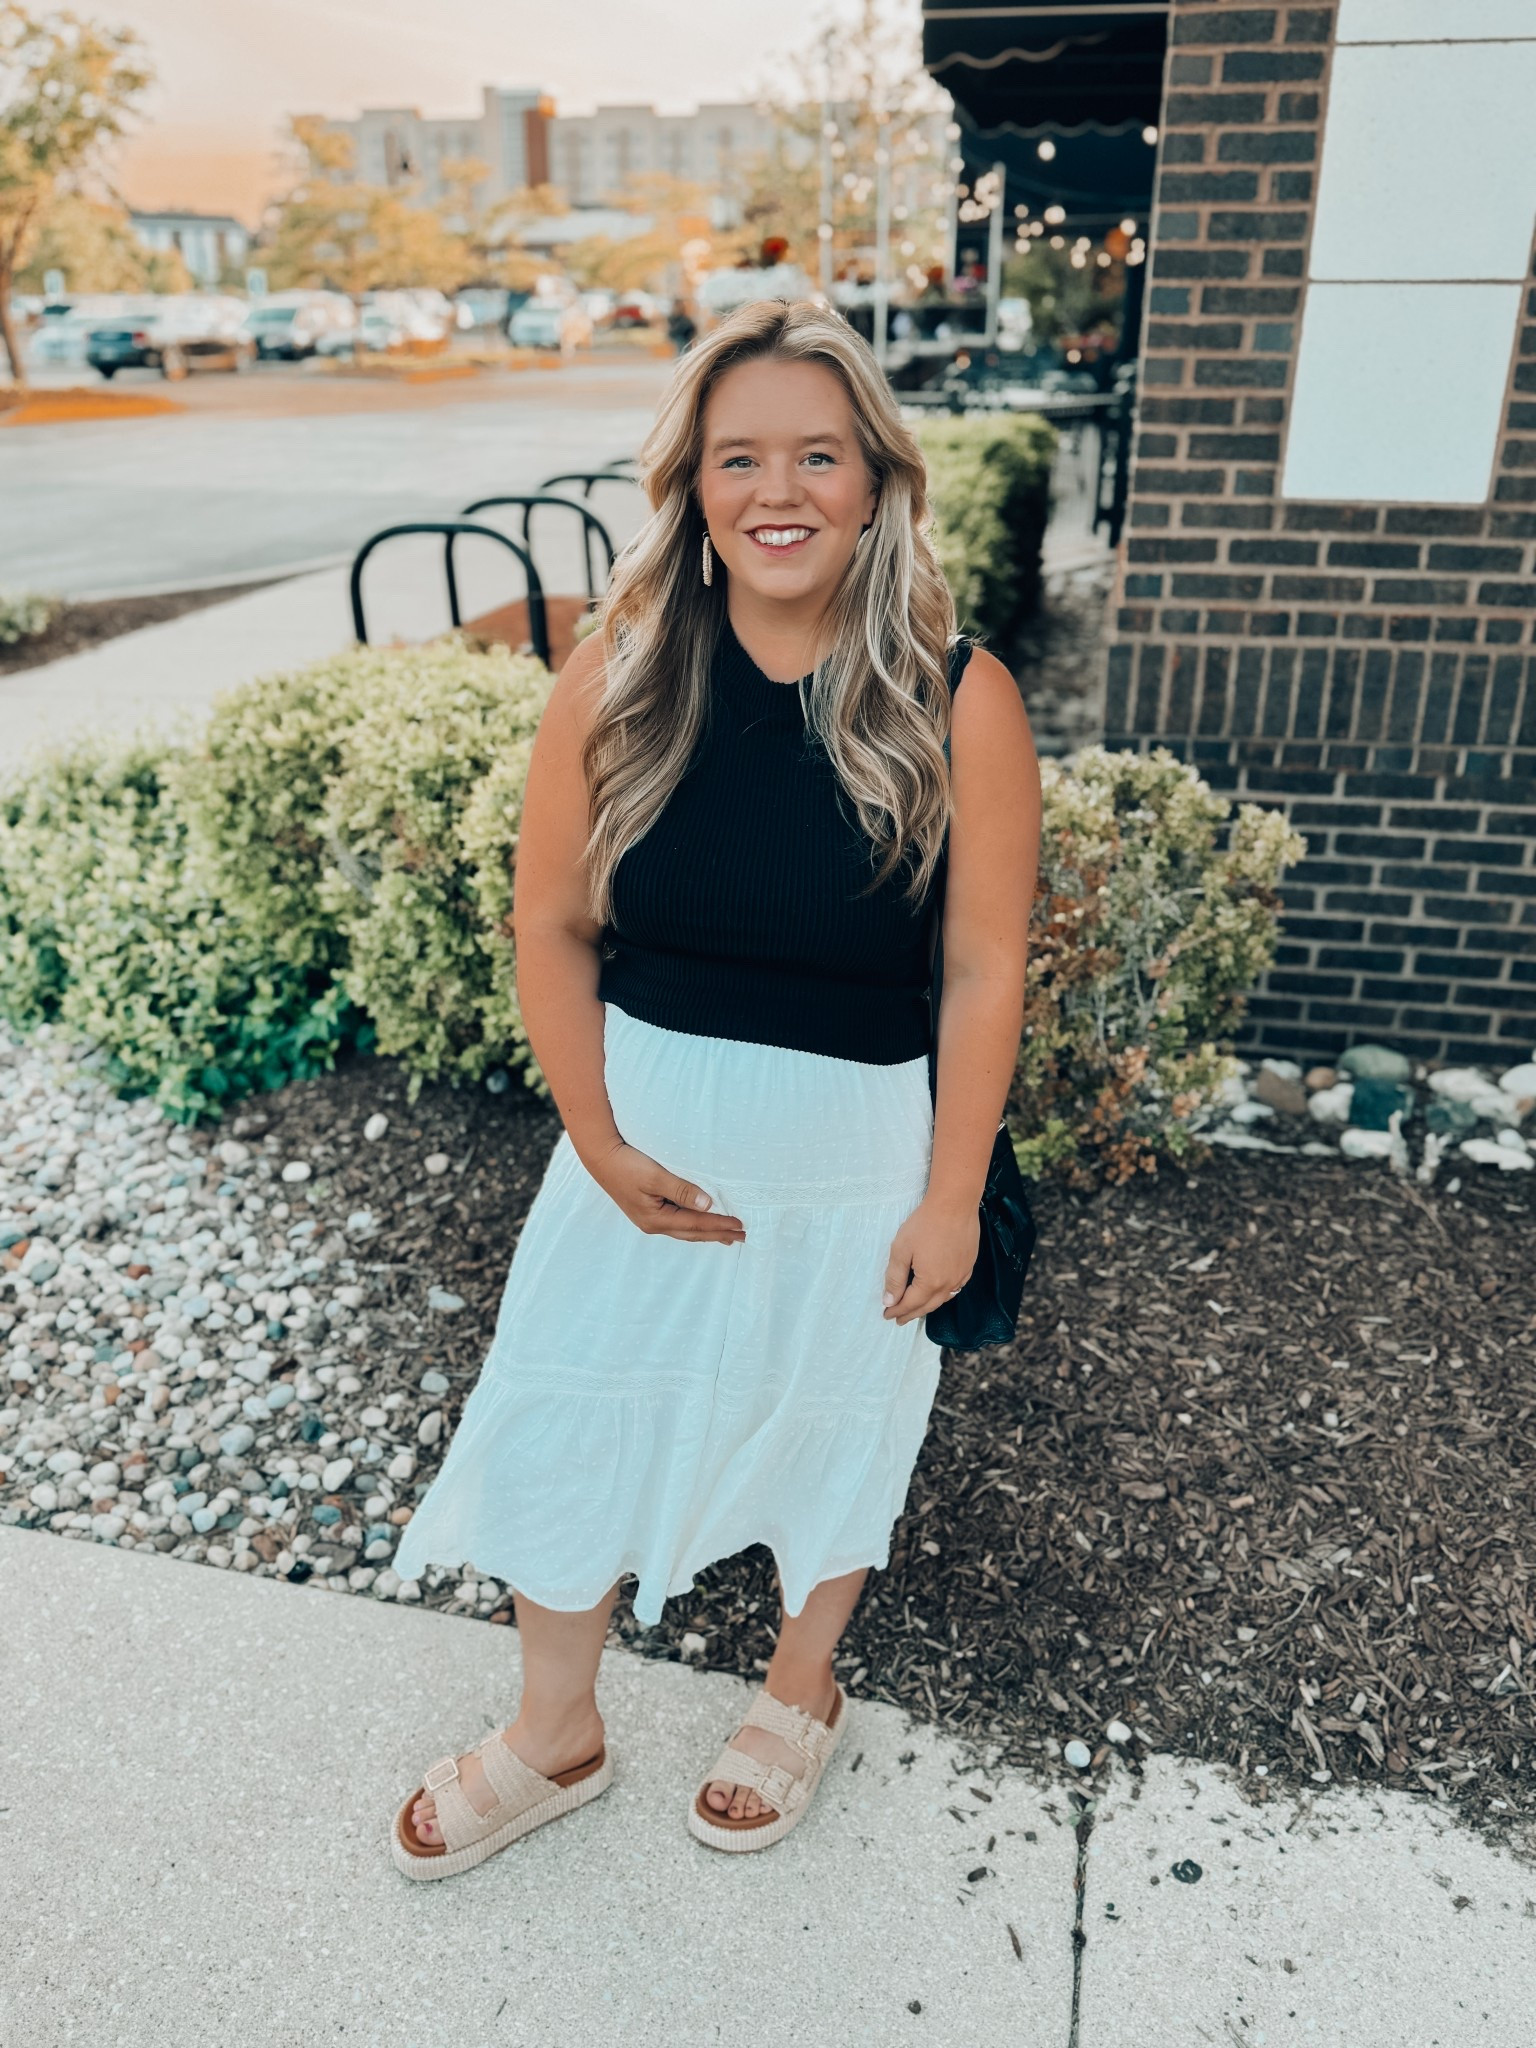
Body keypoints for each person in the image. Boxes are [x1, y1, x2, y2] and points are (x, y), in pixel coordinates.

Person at [389, 297, 1040, 1879]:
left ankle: (797, 1693)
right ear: (689, 484)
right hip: (645, 1147)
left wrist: (952, 1194)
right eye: (739, 455)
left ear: (878, 482)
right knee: (566, 1415)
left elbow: (979, 972)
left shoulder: (960, 697)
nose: (781, 489)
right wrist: (596, 1137)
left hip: (862, 1149)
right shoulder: (617, 675)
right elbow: (550, 920)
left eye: (819, 454)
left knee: (834, 1427)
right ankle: (556, 1732)